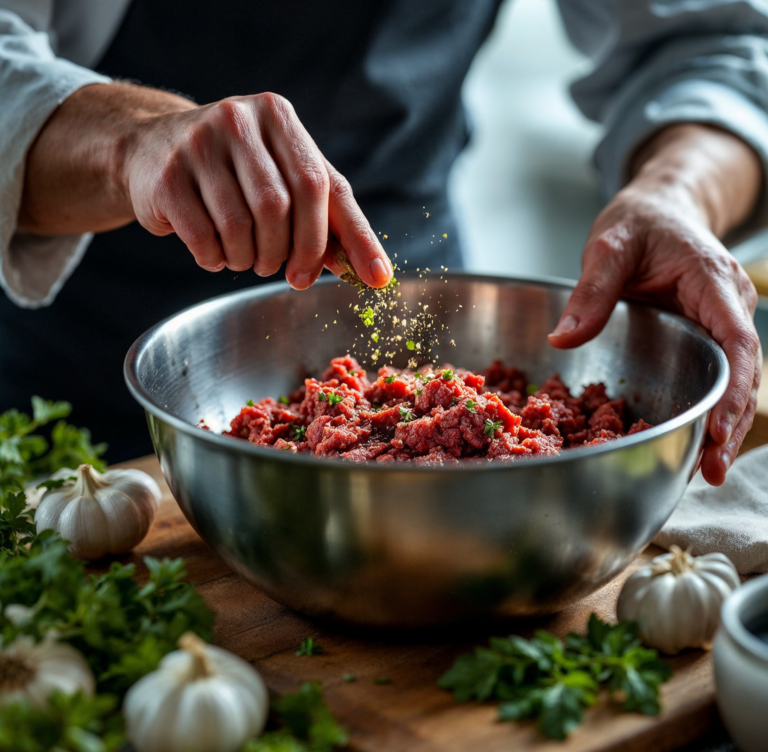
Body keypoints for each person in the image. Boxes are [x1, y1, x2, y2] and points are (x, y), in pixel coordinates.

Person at [0, 1, 763, 485]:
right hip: (71, 337)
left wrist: (675, 192)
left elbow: (707, 45)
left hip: (404, 268)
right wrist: (128, 140)